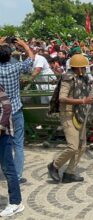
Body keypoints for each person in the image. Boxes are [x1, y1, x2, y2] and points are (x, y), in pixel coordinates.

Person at [47, 54, 93, 183]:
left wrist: (90, 99)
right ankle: (54, 166)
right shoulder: (67, 78)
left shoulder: (84, 78)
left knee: (82, 146)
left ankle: (70, 173)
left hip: (80, 113)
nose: (85, 69)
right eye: (83, 67)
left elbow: (85, 94)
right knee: (73, 146)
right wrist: (83, 101)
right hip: (68, 113)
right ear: (78, 68)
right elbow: (62, 98)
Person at [0, 37, 35, 184]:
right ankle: (18, 175)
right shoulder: (16, 67)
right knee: (18, 144)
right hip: (15, 109)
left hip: (1, 111)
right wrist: (25, 46)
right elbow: (31, 60)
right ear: (10, 55)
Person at [0, 85, 24, 217]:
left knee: (8, 168)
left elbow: (7, 108)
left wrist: (0, 127)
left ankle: (16, 202)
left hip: (3, 135)